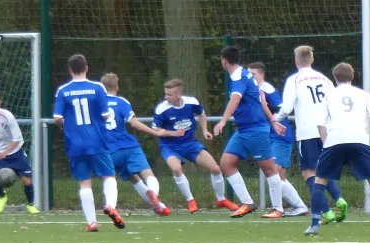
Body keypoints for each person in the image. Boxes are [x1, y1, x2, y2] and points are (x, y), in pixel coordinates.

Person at [304, 63, 370, 235]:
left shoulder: (329, 95)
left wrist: (326, 144)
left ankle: (315, 224)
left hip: (334, 140)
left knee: (319, 181)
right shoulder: (363, 94)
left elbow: (320, 123)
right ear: (352, 77)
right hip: (359, 139)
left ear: (335, 78)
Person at [274, 45, 348, 224]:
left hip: (307, 132)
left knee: (308, 173)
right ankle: (338, 198)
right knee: (322, 170)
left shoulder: (295, 79)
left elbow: (287, 107)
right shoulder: (325, 79)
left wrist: (276, 119)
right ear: (312, 60)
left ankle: (327, 212)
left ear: (296, 61)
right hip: (326, 131)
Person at [53, 54, 123, 232]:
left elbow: (57, 117)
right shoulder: (97, 88)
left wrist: (68, 126)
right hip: (97, 140)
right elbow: (106, 114)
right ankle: (110, 206)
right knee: (108, 175)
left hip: (75, 143)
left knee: (84, 182)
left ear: (70, 70)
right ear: (86, 68)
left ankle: (92, 222)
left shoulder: (63, 90)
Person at [214, 46, 284, 219]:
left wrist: (223, 121)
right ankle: (247, 202)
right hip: (243, 130)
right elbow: (258, 101)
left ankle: (278, 209)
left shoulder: (239, 76)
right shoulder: (243, 74)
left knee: (269, 169)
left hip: (255, 129)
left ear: (224, 61)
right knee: (226, 163)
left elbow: (235, 99)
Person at [152, 79, 238, 213]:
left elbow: (202, 114)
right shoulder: (162, 109)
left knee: (215, 169)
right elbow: (156, 130)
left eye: (169, 95)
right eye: (165, 94)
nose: (166, 97)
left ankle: (221, 199)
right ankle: (190, 200)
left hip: (190, 143)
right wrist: (172, 133)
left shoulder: (191, 102)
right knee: (176, 169)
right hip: (170, 146)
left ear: (178, 95)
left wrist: (204, 130)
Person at [100, 72, 171, 216]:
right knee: (147, 174)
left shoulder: (96, 104)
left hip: (109, 150)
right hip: (129, 146)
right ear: (117, 86)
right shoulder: (122, 102)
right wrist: (155, 132)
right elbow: (134, 124)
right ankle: (154, 194)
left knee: (132, 179)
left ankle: (160, 207)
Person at [247, 62, 308, 216]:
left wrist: (274, 121)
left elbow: (280, 110)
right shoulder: (256, 90)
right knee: (277, 176)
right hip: (272, 136)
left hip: (280, 136)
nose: (250, 77)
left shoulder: (265, 89)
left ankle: (282, 208)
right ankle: (298, 207)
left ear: (262, 75)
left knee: (274, 173)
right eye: (249, 74)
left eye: (253, 74)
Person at [0, 91, 40, 214]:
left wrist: (6, 152)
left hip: (15, 152)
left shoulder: (7, 116)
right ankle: (2, 196)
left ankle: (31, 205)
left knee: (27, 180)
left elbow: (17, 138)